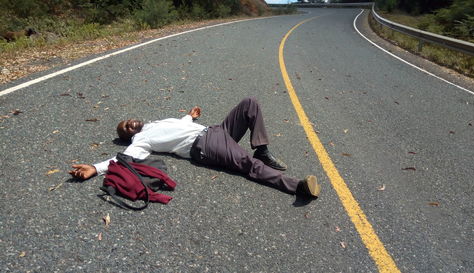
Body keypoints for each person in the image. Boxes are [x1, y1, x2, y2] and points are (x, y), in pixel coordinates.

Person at [69, 97, 320, 199]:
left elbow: (179, 125)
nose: (130, 124)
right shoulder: (140, 141)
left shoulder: (155, 123)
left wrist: (190, 116)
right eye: (126, 128)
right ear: (129, 135)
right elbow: (124, 158)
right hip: (206, 146)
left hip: (215, 131)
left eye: (128, 121)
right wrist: (95, 167)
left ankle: (262, 149)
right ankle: (298, 187)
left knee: (249, 104)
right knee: (247, 165)